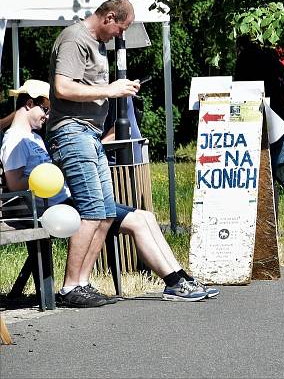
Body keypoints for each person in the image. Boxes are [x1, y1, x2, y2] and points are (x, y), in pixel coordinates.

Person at [2, 81, 217, 302]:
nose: (48, 116)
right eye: (46, 109)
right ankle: (173, 282)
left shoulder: (34, 138)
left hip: (65, 202)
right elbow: (15, 184)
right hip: (54, 208)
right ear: (29, 104)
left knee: (147, 217)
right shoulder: (15, 139)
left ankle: (182, 278)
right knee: (137, 222)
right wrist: (52, 174)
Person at [234, 38, 284, 218]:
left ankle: (251, 218)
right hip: (276, 125)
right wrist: (282, 115)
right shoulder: (275, 63)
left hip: (249, 122)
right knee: (269, 175)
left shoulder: (243, 61)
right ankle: (271, 225)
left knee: (250, 174)